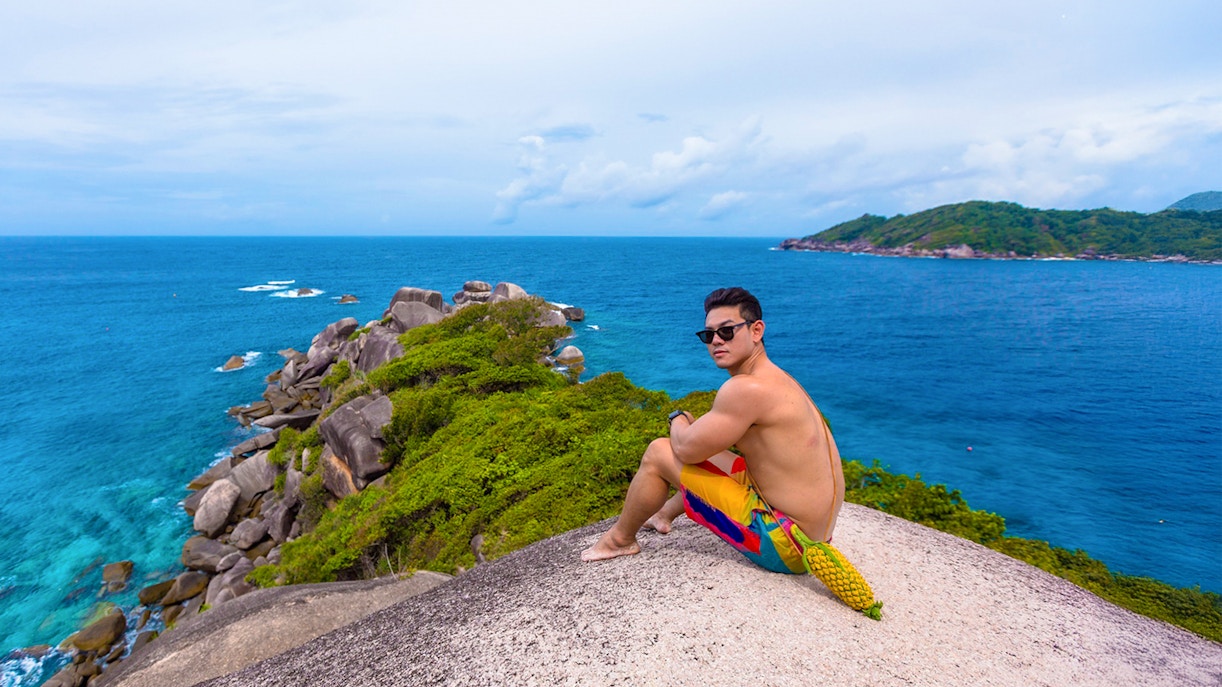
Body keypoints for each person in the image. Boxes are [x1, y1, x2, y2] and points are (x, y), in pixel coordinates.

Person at [582, 287, 845, 574]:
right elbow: (700, 450)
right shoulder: (780, 379)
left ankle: (619, 540)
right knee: (712, 453)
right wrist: (691, 433)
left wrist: (678, 418)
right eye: (709, 335)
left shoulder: (746, 389)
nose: (716, 341)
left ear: (757, 330)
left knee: (661, 451)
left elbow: (684, 449)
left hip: (785, 544)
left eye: (727, 331)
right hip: (815, 538)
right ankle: (663, 515)